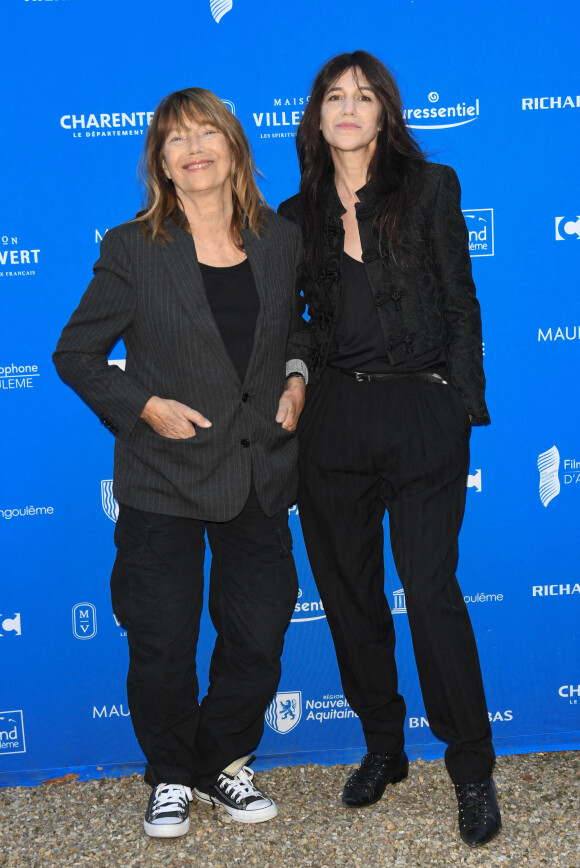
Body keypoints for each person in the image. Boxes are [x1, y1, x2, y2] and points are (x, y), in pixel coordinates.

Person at [54, 87, 309, 838]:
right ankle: (168, 773)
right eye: (175, 139)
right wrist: (144, 406)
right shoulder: (133, 248)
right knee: (162, 638)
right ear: (160, 162)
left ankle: (220, 762)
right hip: (162, 476)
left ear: (234, 145)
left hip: (258, 471)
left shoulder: (281, 237)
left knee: (259, 632)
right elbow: (76, 353)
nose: (194, 148)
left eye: (207, 133)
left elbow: (299, 328)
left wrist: (298, 377)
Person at [278, 51, 501, 848]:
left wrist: (457, 401)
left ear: (384, 113)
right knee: (348, 593)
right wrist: (299, 383)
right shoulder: (295, 212)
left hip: (420, 409)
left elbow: (460, 298)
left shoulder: (430, 187)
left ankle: (471, 767)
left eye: (363, 96)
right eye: (334, 96)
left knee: (430, 587)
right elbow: (299, 319)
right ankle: (383, 745)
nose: (348, 107)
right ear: (316, 115)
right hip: (333, 416)